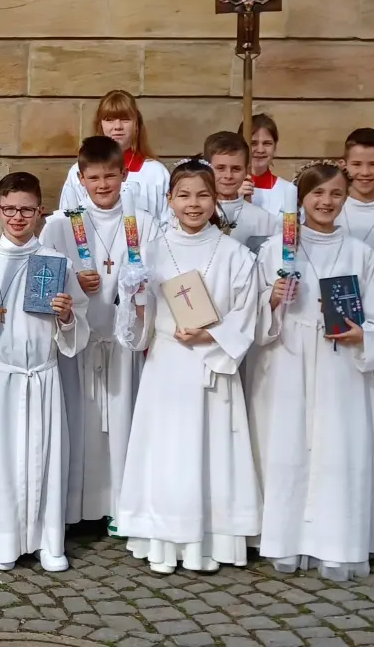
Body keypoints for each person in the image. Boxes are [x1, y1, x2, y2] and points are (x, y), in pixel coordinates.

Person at [117, 158, 262, 574]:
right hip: (166, 365)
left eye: (202, 195)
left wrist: (208, 336)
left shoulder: (235, 253)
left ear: (216, 199)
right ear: (169, 199)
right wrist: (133, 294)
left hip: (210, 366)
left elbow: (245, 313)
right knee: (167, 454)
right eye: (183, 195)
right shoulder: (152, 249)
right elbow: (139, 318)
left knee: (209, 452)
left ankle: (210, 541)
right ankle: (163, 540)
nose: (193, 204)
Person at [249, 161, 374, 580]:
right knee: (288, 447)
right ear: (302, 199)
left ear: (345, 197)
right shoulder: (275, 249)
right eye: (317, 194)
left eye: (334, 194)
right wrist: (272, 299)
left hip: (339, 364)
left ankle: (338, 541)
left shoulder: (359, 253)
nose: (326, 202)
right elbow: (253, 313)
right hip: (287, 357)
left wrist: (361, 335)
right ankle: (286, 539)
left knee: (337, 450)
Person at [0, 172, 87, 572]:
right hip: (1, 377)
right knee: (1, 460)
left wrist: (65, 316)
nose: (18, 217)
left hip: (42, 376)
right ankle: (4, 540)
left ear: (40, 213)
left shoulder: (56, 263)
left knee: (47, 458)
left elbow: (78, 318)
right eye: (10, 209)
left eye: (27, 209)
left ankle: (49, 542)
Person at [41, 136, 161, 534]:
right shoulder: (63, 223)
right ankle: (76, 506)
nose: (103, 184)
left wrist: (135, 286)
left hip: (123, 341)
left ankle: (118, 507)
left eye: (110, 175)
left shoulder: (141, 223)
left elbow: (157, 274)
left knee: (122, 422)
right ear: (80, 177)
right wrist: (75, 278)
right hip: (79, 340)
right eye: (94, 177)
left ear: (123, 175)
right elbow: (45, 274)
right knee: (81, 421)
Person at [57, 90, 170, 221]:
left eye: (125, 119)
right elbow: (67, 218)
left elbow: (167, 222)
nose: (117, 127)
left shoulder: (155, 172)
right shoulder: (80, 169)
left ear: (137, 124)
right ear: (100, 124)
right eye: (109, 120)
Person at [205, 131, 278, 249]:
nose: (228, 175)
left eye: (236, 169)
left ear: (246, 170)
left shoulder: (265, 221)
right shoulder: (195, 214)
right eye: (220, 168)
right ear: (207, 169)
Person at [245, 114, 289, 215]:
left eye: (267, 143)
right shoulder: (228, 188)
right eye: (253, 143)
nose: (260, 150)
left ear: (275, 147)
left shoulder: (287, 190)